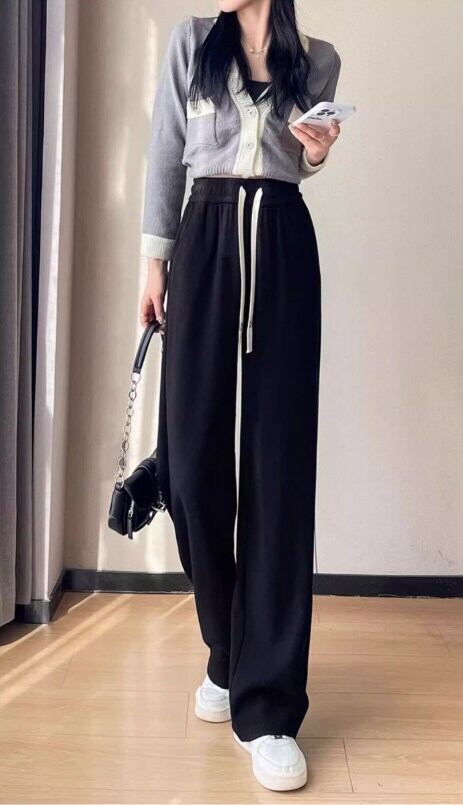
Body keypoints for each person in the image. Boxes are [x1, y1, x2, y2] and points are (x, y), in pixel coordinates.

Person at [139, 0, 341, 792]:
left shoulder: (317, 59)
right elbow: (166, 149)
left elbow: (302, 158)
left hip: (282, 241)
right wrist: (154, 262)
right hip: (204, 237)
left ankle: (268, 708)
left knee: (277, 473)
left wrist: (315, 154)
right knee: (189, 465)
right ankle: (228, 646)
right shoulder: (192, 42)